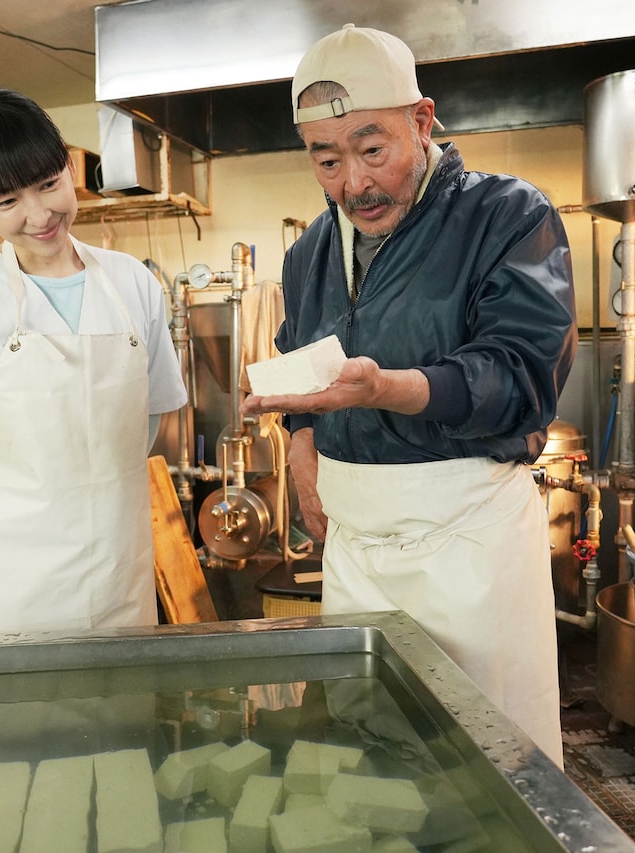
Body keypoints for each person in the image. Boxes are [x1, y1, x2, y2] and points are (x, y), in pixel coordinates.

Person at [241, 25, 576, 766]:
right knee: (369, 760)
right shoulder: (309, 255)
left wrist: (391, 388)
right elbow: (304, 360)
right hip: (356, 548)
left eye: (372, 150)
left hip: (466, 543)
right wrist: (299, 438)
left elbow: (522, 375)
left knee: (483, 760)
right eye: (327, 160)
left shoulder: (507, 217)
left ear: (422, 122)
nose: (354, 183)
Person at [0, 89, 187, 637]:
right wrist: (32, 505)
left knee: (123, 718)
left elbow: (147, 416)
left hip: (119, 573)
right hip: (12, 583)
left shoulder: (134, 284)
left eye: (50, 184)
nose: (39, 215)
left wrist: (92, 494)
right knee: (15, 719)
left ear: (69, 165)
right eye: (7, 203)